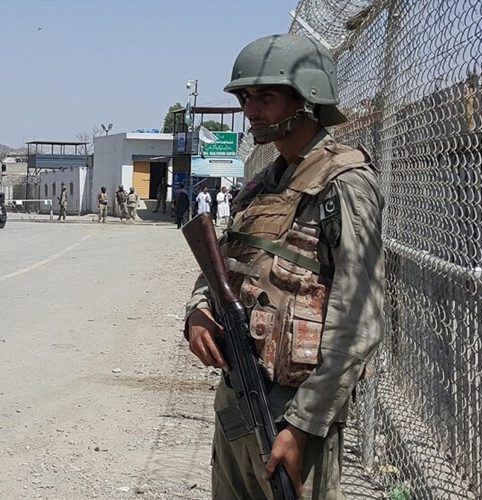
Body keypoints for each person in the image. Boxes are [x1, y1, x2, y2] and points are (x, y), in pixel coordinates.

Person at [183, 33, 384, 499]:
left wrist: (303, 425)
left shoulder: (346, 184)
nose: (251, 110)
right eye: (245, 98)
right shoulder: (262, 185)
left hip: (292, 414)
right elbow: (220, 265)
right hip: (237, 398)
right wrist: (197, 312)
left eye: (266, 97)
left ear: (309, 99)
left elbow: (361, 321)